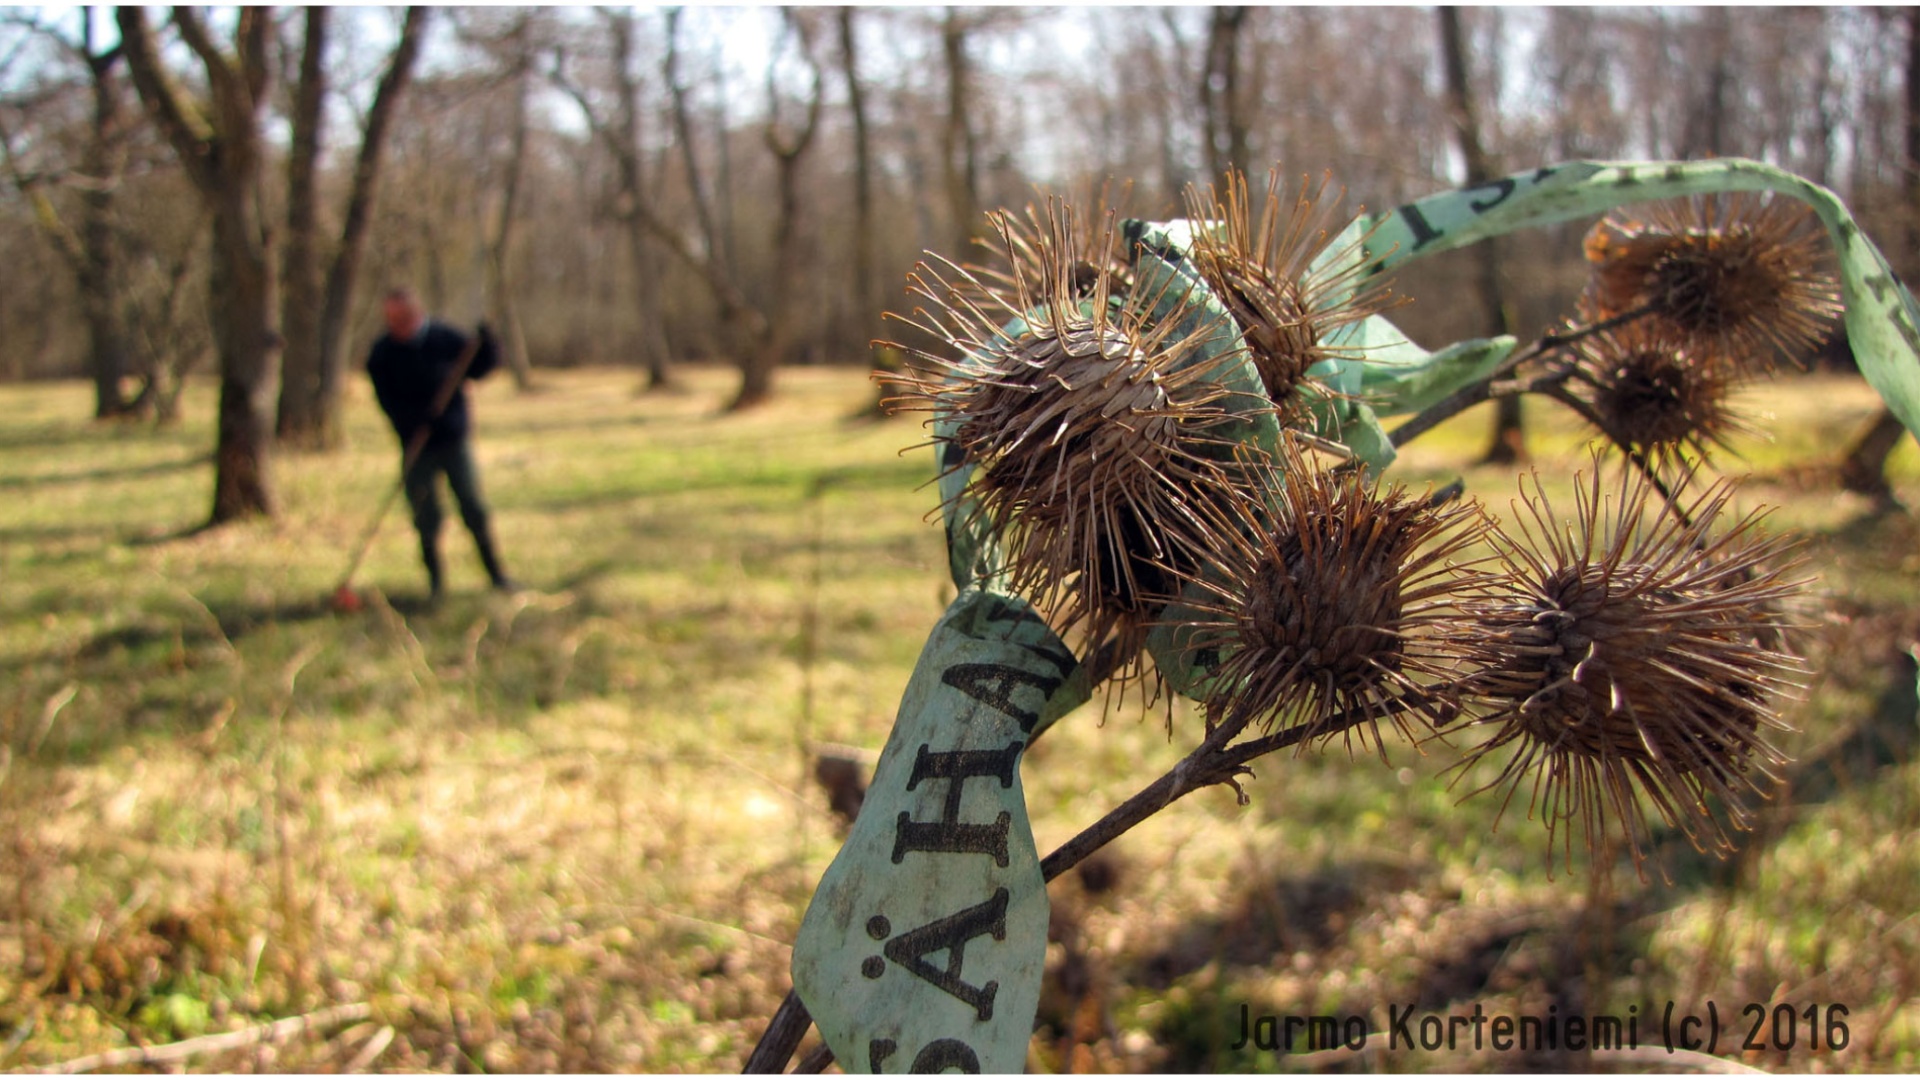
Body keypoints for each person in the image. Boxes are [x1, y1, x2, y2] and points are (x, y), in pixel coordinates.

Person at [366, 287, 514, 600]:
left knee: (472, 507)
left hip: (452, 440)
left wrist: (488, 344)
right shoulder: (382, 354)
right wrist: (414, 420)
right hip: (416, 445)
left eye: (404, 317)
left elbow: (480, 367)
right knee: (425, 513)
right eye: (392, 320)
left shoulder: (443, 338)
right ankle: (436, 583)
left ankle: (496, 574)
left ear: (416, 312)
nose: (399, 325)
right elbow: (386, 400)